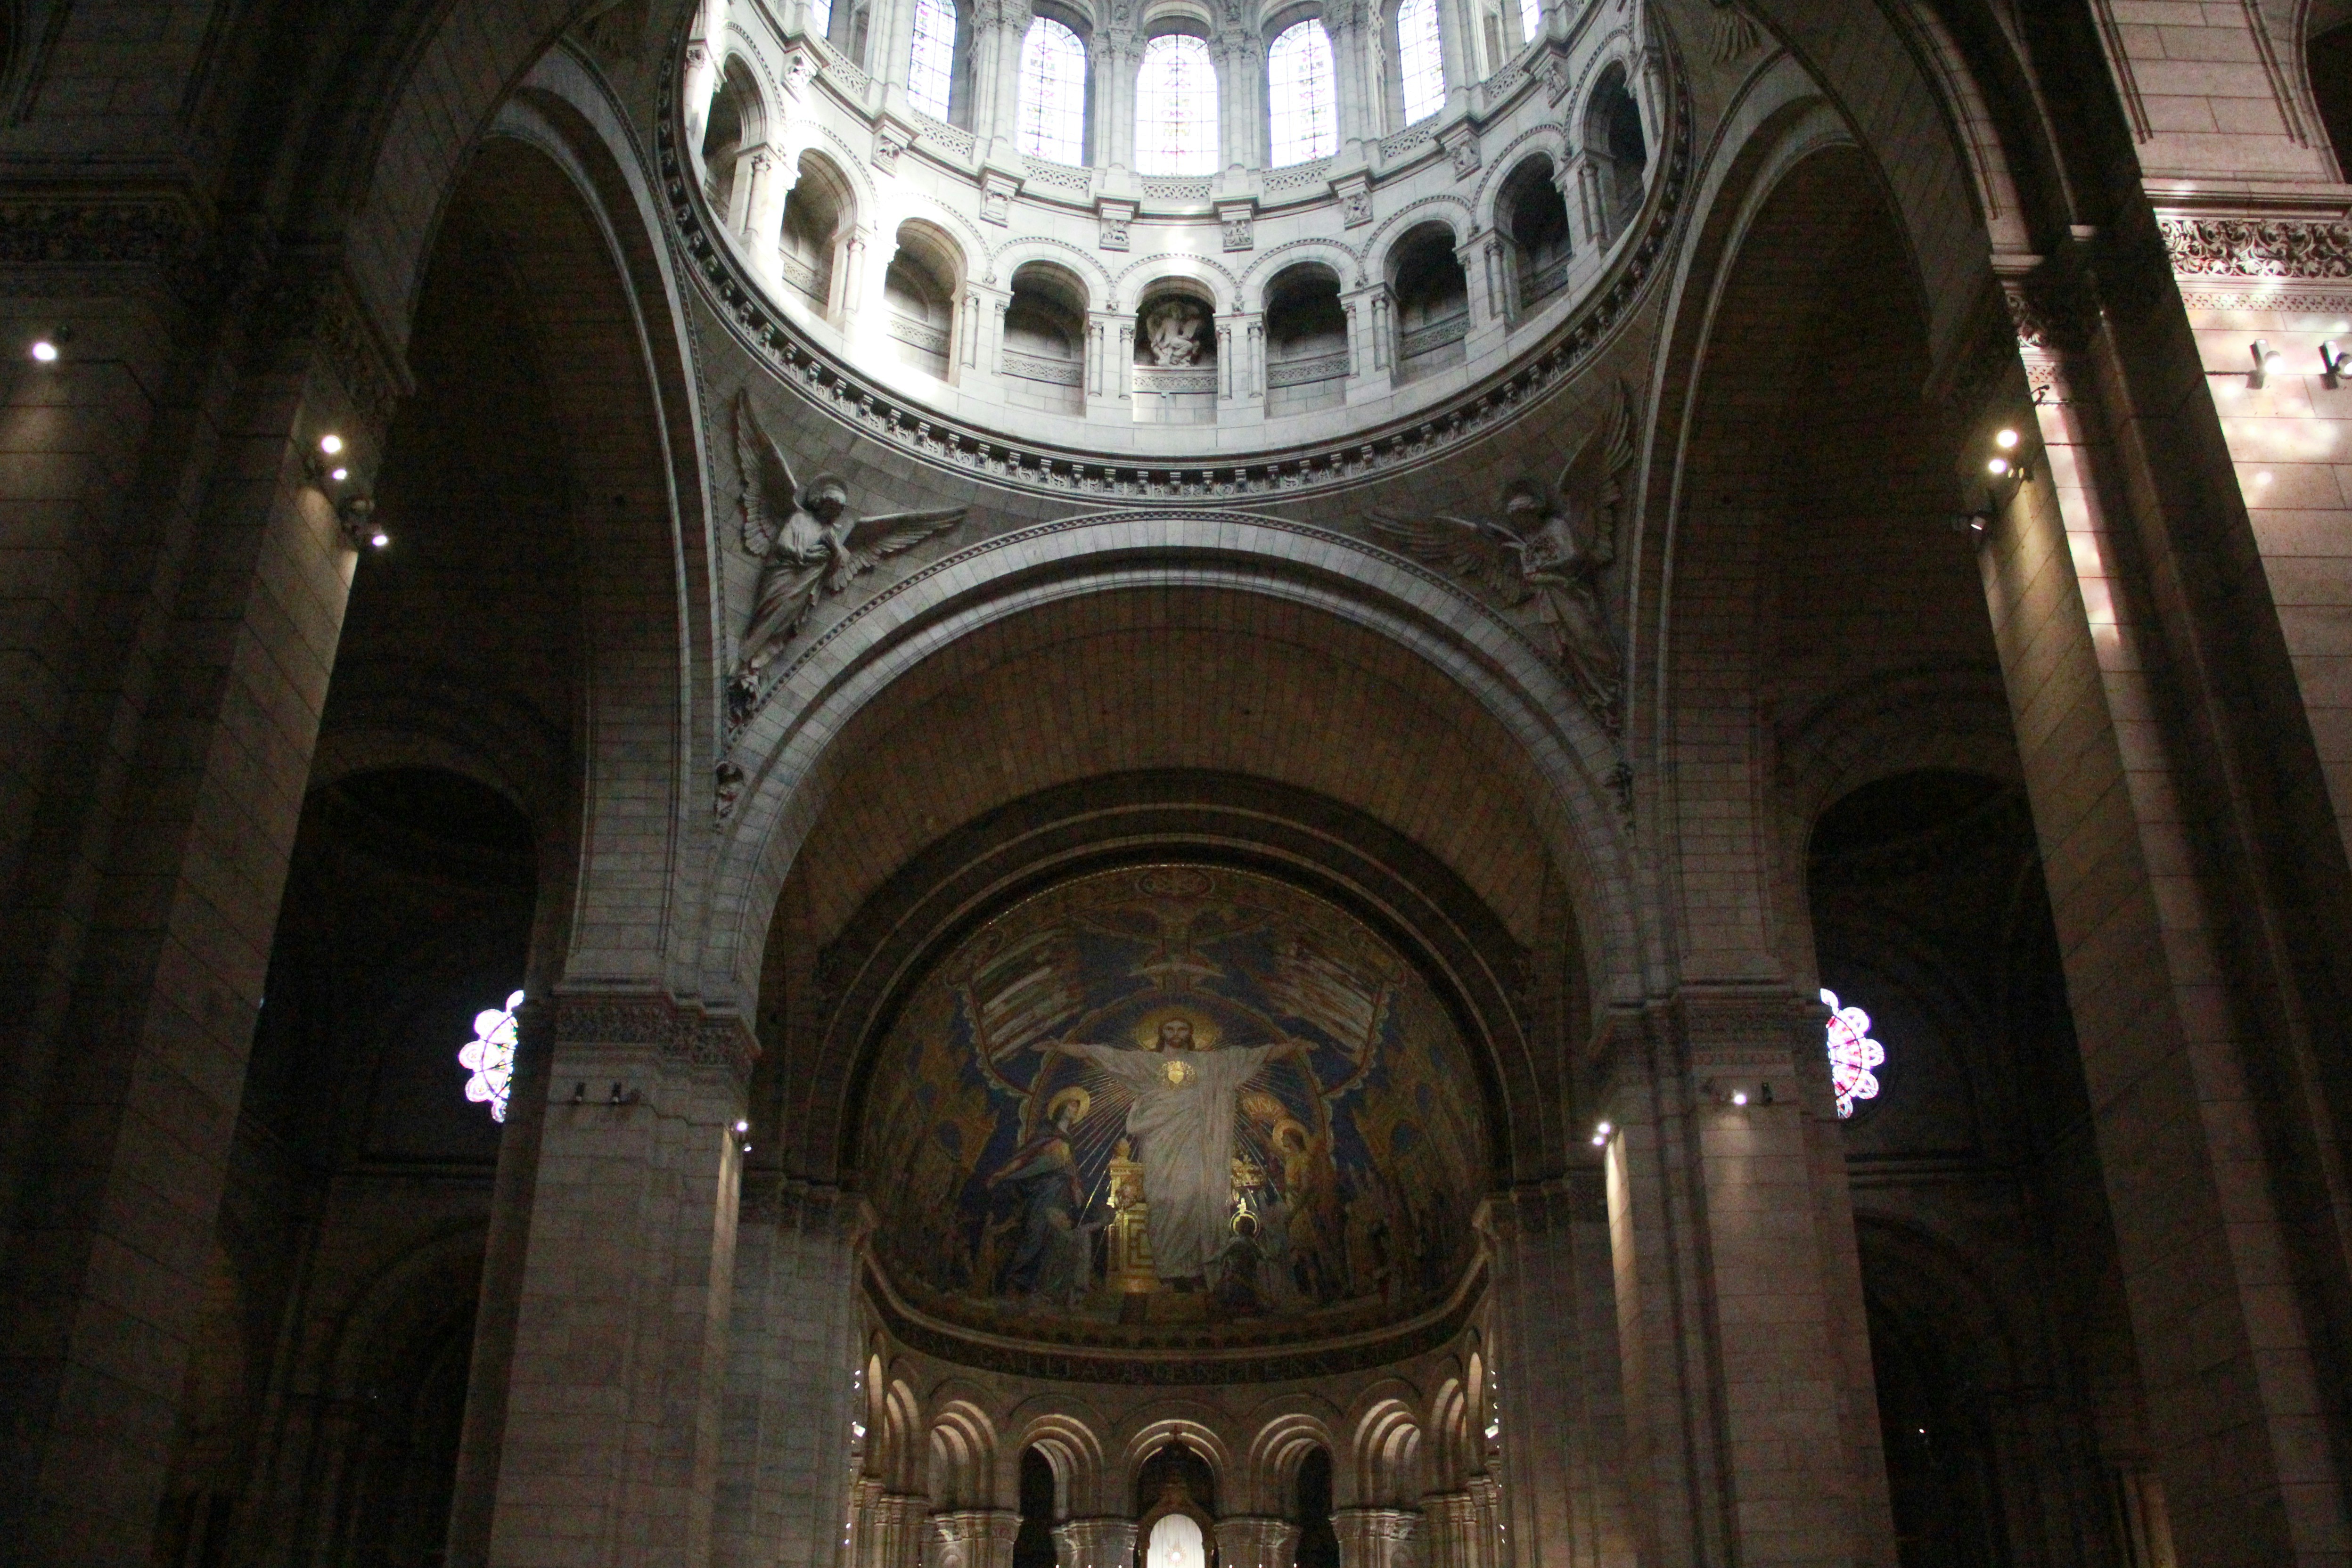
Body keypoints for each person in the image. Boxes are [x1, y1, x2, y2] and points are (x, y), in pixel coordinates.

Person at [1040, 1017, 1300, 1287]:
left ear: (1190, 1033)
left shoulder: (1208, 1064)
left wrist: (1290, 1047)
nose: (1176, 1033)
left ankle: (1193, 1271)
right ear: (1161, 1033)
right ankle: (1167, 1271)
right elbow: (1106, 1056)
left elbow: (1251, 1057)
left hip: (1193, 1143)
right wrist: (1062, 1047)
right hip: (1159, 1141)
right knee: (1162, 1199)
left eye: (1182, 1029)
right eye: (1170, 1029)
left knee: (1191, 1197)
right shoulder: (1147, 1063)